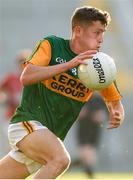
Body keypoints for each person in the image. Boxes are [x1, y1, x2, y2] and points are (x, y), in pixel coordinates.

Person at [0, 6, 124, 179]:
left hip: (48, 137)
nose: (101, 38)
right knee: (60, 159)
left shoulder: (98, 65)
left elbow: (114, 101)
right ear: (78, 30)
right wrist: (68, 65)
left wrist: (117, 113)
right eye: (97, 32)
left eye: (103, 33)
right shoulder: (52, 45)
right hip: (27, 124)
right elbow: (26, 77)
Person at [70, 92, 108, 179]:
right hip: (83, 129)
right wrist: (78, 113)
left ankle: (68, 165)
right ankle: (91, 177)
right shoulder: (80, 96)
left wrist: (102, 115)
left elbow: (107, 113)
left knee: (88, 158)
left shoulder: (100, 99)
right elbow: (73, 112)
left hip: (95, 130)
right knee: (88, 156)